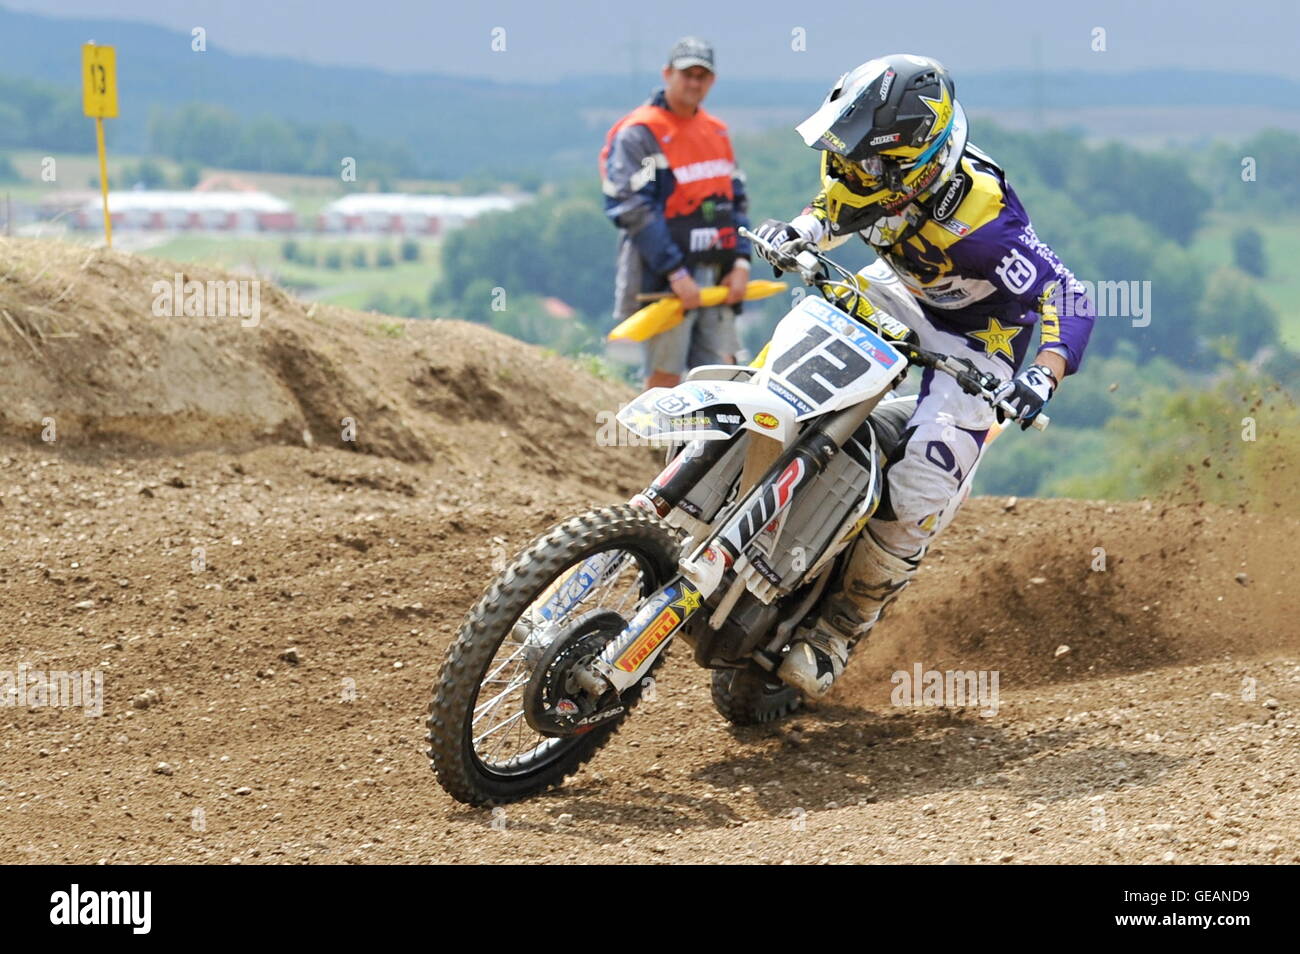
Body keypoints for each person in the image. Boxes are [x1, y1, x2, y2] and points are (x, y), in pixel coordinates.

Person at [752, 54, 1096, 696]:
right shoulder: (868, 165)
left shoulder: (987, 226)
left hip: (979, 335)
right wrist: (795, 234)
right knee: (782, 375)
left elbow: (1070, 296)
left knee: (921, 487)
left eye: (867, 159)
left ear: (916, 161)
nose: (852, 166)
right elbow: (835, 207)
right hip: (898, 291)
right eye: (848, 150)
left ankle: (839, 629)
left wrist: (1041, 378)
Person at [600, 36, 752, 389]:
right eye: (687, 74)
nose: (694, 83)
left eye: (702, 75)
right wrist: (675, 272)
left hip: (718, 272)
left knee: (723, 374)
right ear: (668, 74)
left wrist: (741, 263)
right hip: (663, 278)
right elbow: (633, 208)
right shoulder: (641, 133)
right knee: (665, 377)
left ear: (711, 81)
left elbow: (737, 202)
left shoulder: (716, 132)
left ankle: (707, 447)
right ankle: (656, 446)